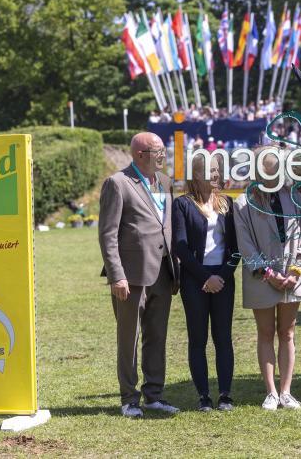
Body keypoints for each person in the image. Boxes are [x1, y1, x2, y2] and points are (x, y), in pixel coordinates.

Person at [98, 132, 180, 418]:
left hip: (163, 273)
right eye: (158, 151)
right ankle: (129, 399)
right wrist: (116, 275)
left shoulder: (166, 183)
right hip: (130, 277)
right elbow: (107, 235)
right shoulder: (117, 183)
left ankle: (154, 396)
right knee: (128, 339)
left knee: (156, 337)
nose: (163, 155)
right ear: (140, 154)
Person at [233, 148, 301, 410]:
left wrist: (296, 270)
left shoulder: (296, 197)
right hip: (261, 278)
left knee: (287, 333)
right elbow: (245, 245)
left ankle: (287, 392)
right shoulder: (243, 203)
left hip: (293, 277)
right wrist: (268, 273)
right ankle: (271, 392)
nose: (273, 175)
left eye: (277, 169)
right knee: (265, 332)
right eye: (268, 170)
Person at [172, 154, 239, 412]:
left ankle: (225, 395)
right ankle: (203, 396)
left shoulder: (227, 204)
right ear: (194, 174)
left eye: (216, 170)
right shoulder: (182, 205)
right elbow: (181, 247)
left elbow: (236, 249)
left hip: (223, 280)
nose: (214, 175)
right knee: (197, 339)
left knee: (223, 338)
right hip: (195, 281)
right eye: (208, 170)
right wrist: (205, 277)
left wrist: (221, 276)